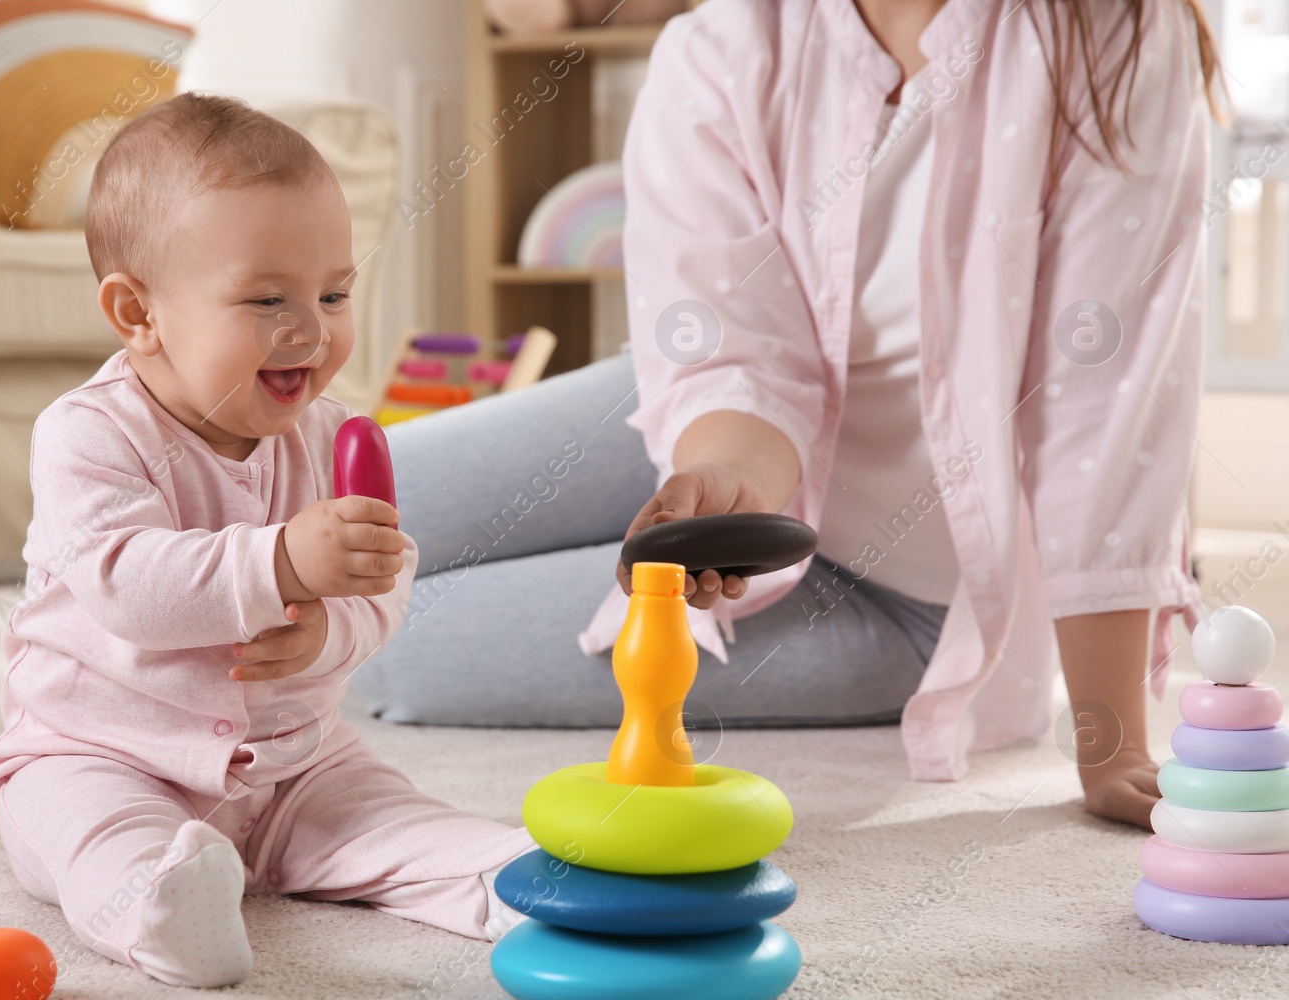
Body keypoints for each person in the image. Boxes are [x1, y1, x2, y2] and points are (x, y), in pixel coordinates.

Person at [352, 0, 1223, 832]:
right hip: (721, 433)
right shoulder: (720, 49)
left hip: (904, 598)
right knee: (342, 497)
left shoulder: (1114, 36)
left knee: (386, 643)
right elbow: (735, 356)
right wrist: (728, 488)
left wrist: (1113, 746)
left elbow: (1104, 404)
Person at [0, 94, 534, 990]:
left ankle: (502, 878)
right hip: (103, 750)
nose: (311, 330)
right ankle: (160, 905)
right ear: (138, 313)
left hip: (294, 762)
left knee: (383, 813)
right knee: (83, 829)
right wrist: (279, 561)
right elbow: (125, 585)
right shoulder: (88, 434)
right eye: (267, 298)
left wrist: (334, 628)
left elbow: (386, 579)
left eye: (334, 293)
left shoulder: (333, 436)